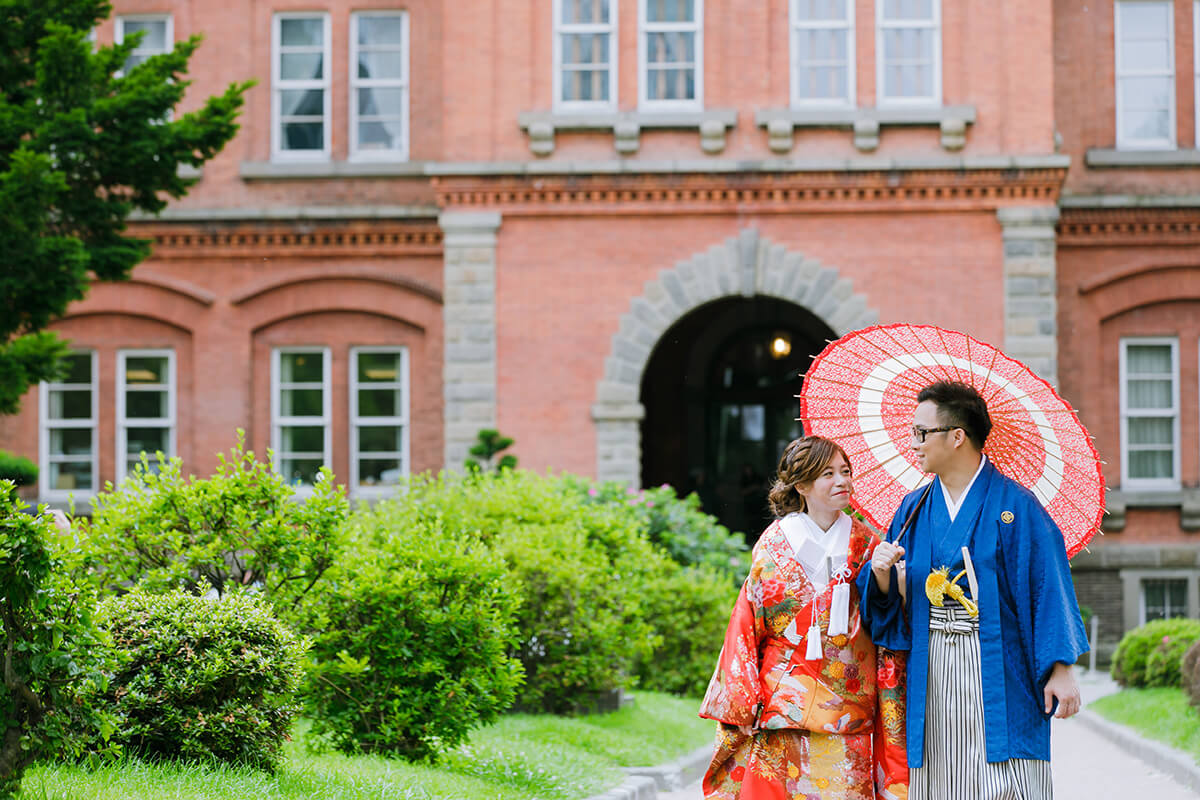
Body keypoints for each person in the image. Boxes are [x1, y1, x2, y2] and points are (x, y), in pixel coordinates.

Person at [858, 381, 1088, 800]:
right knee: (942, 775)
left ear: (957, 436)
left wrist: (1061, 667)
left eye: (921, 433)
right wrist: (884, 576)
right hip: (934, 669)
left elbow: (1048, 585)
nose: (914, 444)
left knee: (1007, 779)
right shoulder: (913, 508)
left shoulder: (1016, 507)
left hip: (1000, 666)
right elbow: (882, 599)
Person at [700, 435, 908, 800]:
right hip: (784, 703)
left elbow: (883, 620)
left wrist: (885, 578)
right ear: (802, 485)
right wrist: (744, 700)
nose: (843, 481)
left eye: (846, 471)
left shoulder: (869, 544)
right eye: (828, 473)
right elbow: (748, 624)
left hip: (849, 707)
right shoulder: (774, 543)